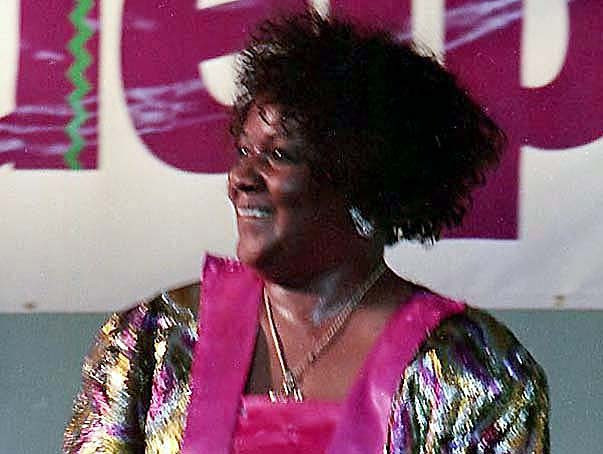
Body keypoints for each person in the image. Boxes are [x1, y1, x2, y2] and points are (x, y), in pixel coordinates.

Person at [64, 12, 549, 453]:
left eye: (279, 155)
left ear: (362, 180)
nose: (240, 178)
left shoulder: (474, 373)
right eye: (244, 151)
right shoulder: (154, 340)